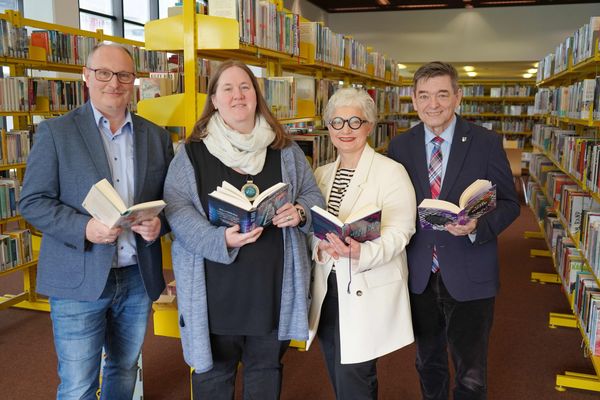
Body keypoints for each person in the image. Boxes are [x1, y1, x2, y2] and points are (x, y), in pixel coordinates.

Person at [18, 43, 174, 399]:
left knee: (124, 371)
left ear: (134, 81)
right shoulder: (56, 133)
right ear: (86, 76)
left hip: (137, 275)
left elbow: (170, 202)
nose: (113, 83)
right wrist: (84, 228)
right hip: (79, 276)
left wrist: (158, 225)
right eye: (103, 73)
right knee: (77, 384)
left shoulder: (156, 136)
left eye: (123, 75)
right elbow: (33, 201)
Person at [163, 59, 324, 400]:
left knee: (266, 371)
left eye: (245, 87)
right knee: (214, 377)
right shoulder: (191, 153)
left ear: (256, 96)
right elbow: (177, 209)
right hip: (215, 291)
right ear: (215, 100)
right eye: (228, 89)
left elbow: (312, 195)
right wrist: (218, 238)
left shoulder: (286, 149)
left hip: (272, 290)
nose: (238, 95)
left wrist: (299, 211)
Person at [387, 61, 520, 400]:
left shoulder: (485, 142)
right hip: (419, 274)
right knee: (427, 362)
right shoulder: (399, 147)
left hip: (471, 270)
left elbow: (508, 202)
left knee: (471, 372)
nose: (433, 104)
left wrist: (478, 226)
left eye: (442, 95)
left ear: (458, 96)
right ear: (413, 100)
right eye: (424, 96)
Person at [306, 87, 417, 400]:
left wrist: (362, 251)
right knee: (337, 369)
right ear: (328, 128)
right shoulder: (321, 174)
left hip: (365, 288)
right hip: (328, 290)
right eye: (337, 122)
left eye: (355, 122)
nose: (346, 130)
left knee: (356, 376)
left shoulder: (391, 172)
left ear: (369, 126)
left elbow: (401, 231)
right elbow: (313, 227)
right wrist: (319, 246)